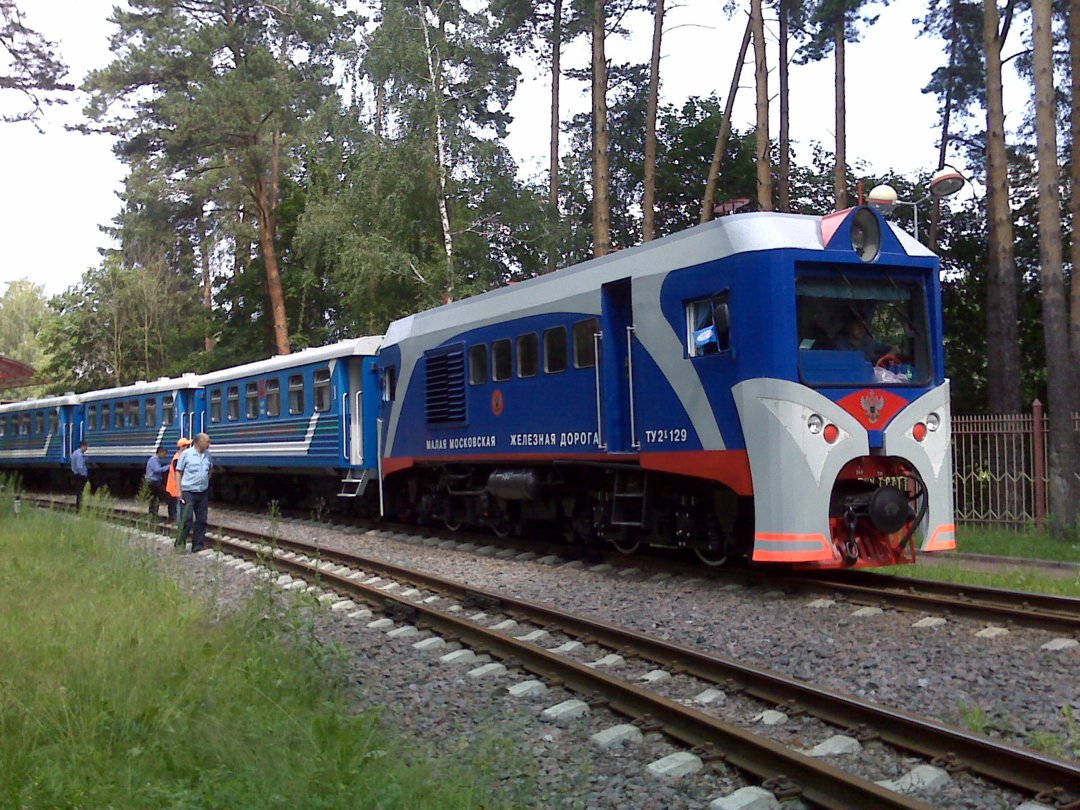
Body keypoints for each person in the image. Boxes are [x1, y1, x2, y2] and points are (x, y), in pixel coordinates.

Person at [175, 433, 213, 553]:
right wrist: (178, 491)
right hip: (188, 491)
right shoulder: (186, 454)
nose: (209, 444)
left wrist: (205, 481)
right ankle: (180, 544)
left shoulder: (208, 455)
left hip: (202, 492)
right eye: (207, 441)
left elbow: (210, 469)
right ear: (199, 442)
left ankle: (197, 545)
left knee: (201, 520)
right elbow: (178, 472)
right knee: (187, 519)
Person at [144, 445, 174, 521]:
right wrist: (168, 467)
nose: (165, 456)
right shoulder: (154, 459)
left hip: (153, 482)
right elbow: (157, 470)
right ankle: (172, 515)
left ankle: (152, 516)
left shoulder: (155, 459)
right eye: (164, 454)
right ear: (160, 452)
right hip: (153, 482)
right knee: (167, 496)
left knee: (154, 499)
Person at [165, 437, 191, 523]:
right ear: (182, 447)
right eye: (187, 446)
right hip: (176, 486)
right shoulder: (177, 459)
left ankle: (179, 523)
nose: (188, 447)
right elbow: (179, 474)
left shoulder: (179, 457)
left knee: (178, 505)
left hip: (176, 485)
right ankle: (179, 525)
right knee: (179, 505)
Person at [71, 440, 89, 510]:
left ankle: (78, 507)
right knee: (80, 493)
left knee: (78, 492)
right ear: (83, 446)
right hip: (80, 476)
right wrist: (84, 474)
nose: (87, 449)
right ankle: (79, 508)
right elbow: (79, 466)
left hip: (76, 474)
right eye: (86, 447)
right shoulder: (80, 455)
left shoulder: (75, 453)